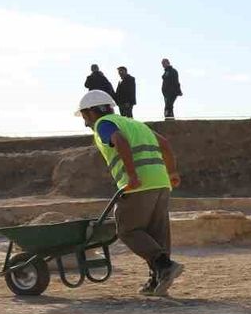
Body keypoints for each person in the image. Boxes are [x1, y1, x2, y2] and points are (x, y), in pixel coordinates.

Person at [75, 89, 185, 296]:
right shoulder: (135, 124)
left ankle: (164, 265)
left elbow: (119, 141)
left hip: (138, 185)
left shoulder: (104, 124)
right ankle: (157, 279)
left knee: (128, 230)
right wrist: (172, 172)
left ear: (90, 112)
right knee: (156, 233)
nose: (85, 122)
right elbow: (164, 144)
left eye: (84, 116)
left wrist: (132, 175)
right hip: (161, 183)